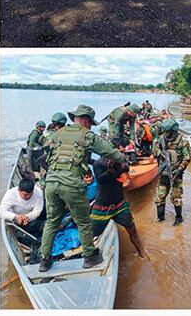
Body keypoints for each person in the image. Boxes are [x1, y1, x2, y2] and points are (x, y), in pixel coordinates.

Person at [38, 104, 124, 272]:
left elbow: (44, 154)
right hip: (71, 185)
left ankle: (44, 260)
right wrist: (121, 157)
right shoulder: (88, 136)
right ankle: (89, 257)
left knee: (52, 222)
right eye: (91, 123)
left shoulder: (57, 134)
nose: (91, 126)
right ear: (85, 121)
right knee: (84, 222)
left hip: (51, 183)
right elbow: (113, 154)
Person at [90, 156, 149, 260]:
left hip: (119, 205)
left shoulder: (120, 160)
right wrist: (112, 170)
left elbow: (126, 167)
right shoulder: (98, 164)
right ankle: (89, 253)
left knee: (132, 230)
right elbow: (101, 179)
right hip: (102, 207)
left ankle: (142, 253)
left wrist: (119, 166)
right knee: (92, 234)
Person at [151, 118, 191, 225]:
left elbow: (187, 158)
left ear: (173, 131)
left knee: (176, 198)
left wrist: (179, 169)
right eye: (165, 132)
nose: (166, 134)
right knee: (160, 197)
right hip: (163, 174)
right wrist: (159, 152)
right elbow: (154, 147)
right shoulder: (161, 138)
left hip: (175, 175)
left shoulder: (182, 141)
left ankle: (179, 218)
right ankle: (160, 219)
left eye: (168, 132)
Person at [0, 178, 45, 263]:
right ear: (19, 190)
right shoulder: (10, 194)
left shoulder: (38, 192)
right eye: (25, 195)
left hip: (31, 217)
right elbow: (1, 211)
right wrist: (16, 217)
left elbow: (38, 211)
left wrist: (26, 217)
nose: (27, 197)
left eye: (30, 194)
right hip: (17, 220)